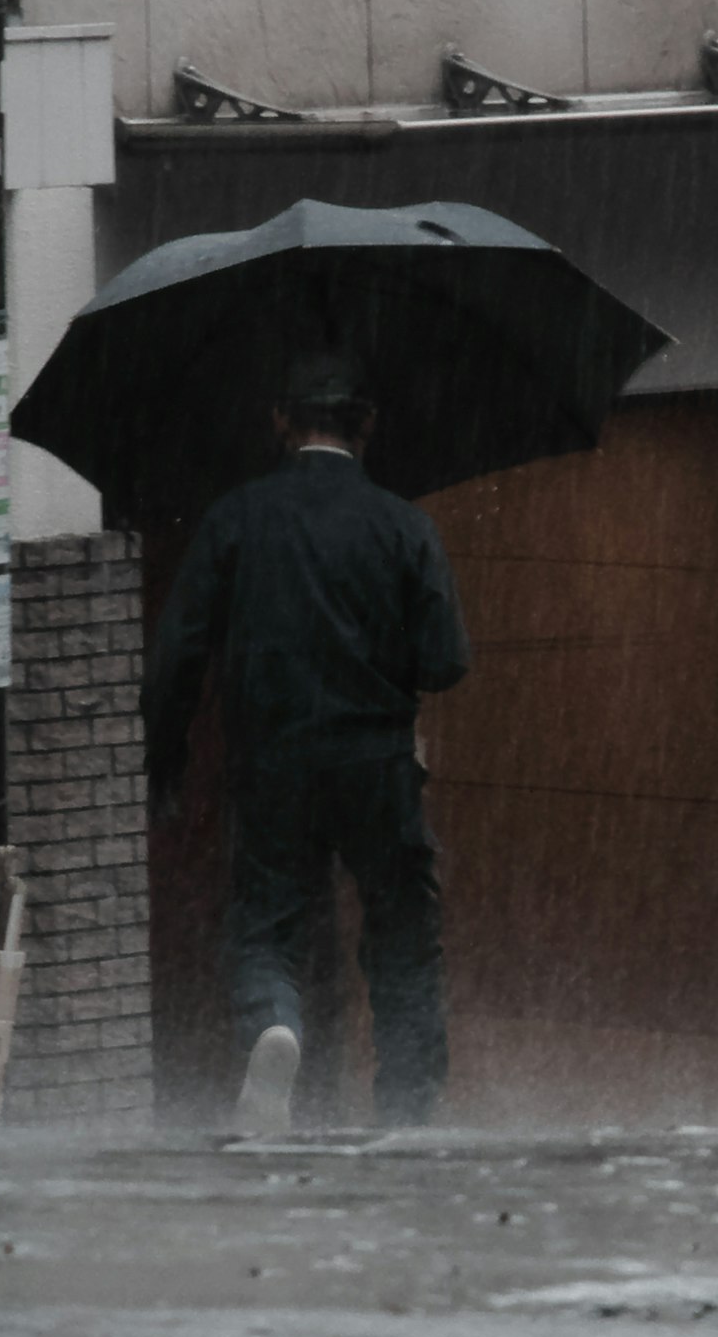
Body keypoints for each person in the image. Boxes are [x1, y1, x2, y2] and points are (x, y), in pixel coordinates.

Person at [143, 352, 472, 1132]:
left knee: (266, 926)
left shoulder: (236, 519)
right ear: (369, 426)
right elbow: (448, 660)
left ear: (281, 423)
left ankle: (273, 1026)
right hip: (378, 768)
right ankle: (408, 1108)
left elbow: (175, 657)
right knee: (401, 934)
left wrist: (169, 756)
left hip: (273, 765)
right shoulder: (403, 525)